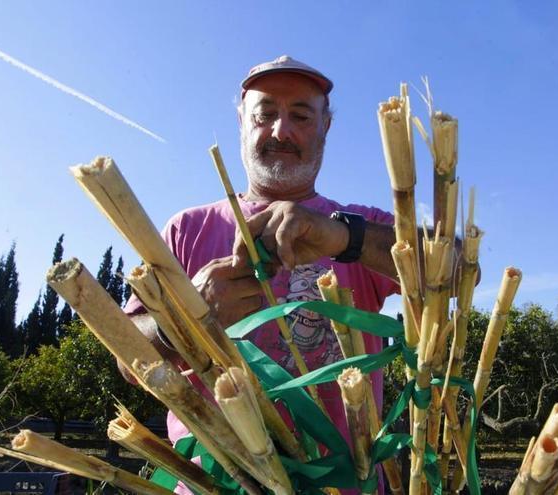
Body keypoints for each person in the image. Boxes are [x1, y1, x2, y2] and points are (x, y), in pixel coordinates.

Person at [123, 55, 403, 493]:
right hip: (216, 484)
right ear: (241, 123)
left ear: (326, 126)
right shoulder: (186, 230)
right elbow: (128, 360)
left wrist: (340, 237)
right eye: (265, 114)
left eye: (300, 115)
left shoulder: (361, 224)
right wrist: (187, 318)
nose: (281, 131)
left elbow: (461, 267)